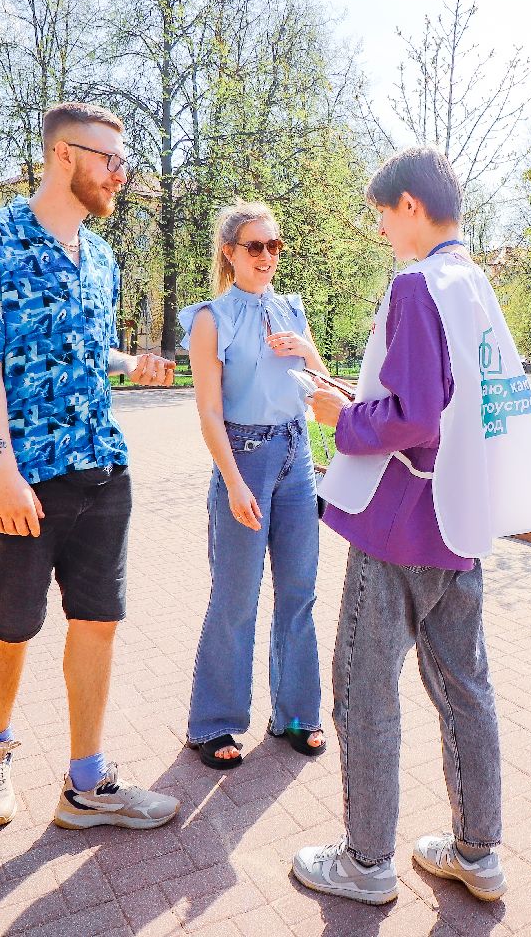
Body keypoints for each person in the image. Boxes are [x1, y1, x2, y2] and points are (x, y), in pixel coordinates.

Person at [291, 148, 531, 905]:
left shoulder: (414, 284)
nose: (380, 229)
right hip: (462, 519)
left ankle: (366, 863)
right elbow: (454, 401)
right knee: (465, 688)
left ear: (409, 204)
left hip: (399, 524)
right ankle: (477, 852)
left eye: (381, 212)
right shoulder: (472, 282)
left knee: (364, 691)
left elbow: (410, 416)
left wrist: (341, 418)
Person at [0, 101, 182, 832]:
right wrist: (0, 471)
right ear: (64, 156)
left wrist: (129, 363)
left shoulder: (103, 257)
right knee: (13, 625)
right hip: (20, 475)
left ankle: (86, 784)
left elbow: (82, 349)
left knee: (98, 622)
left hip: (100, 466)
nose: (121, 174)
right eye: (111, 160)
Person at [178, 202, 327, 770]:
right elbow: (210, 414)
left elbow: (316, 391)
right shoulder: (211, 319)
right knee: (235, 598)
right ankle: (213, 723)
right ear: (230, 253)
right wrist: (234, 483)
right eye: (255, 247)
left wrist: (307, 352)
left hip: (297, 456)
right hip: (243, 457)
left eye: (275, 246)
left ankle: (295, 713)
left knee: (299, 591)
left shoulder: (292, 309)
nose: (267, 257)